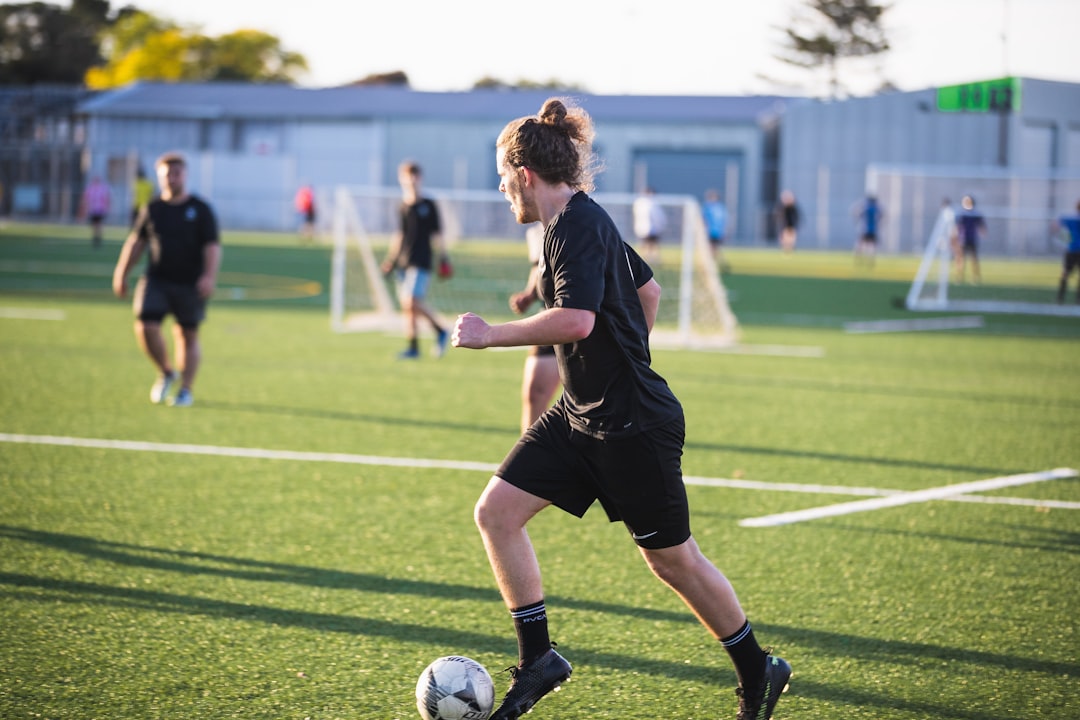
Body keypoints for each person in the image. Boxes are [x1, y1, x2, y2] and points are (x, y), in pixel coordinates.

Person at [452, 97, 790, 720]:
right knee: (497, 512)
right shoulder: (579, 219)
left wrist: (490, 333)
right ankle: (539, 659)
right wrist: (626, 353)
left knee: (672, 561)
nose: (502, 192)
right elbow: (648, 290)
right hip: (583, 414)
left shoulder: (574, 225)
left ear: (526, 174)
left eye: (504, 179)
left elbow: (578, 320)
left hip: (633, 425)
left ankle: (757, 668)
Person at [111, 151, 221, 408]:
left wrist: (208, 276)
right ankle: (166, 371)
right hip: (157, 279)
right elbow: (136, 242)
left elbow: (212, 246)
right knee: (145, 325)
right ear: (160, 177)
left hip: (190, 282)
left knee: (186, 334)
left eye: (176, 173)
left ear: (185, 175)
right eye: (166, 174)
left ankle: (185, 389)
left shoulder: (200, 209)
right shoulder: (153, 208)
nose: (172, 178)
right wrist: (122, 273)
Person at [380, 161, 451, 359]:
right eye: (406, 176)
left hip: (422, 261)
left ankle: (440, 330)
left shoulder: (428, 205)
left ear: (419, 178)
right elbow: (399, 235)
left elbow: (438, 234)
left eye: (414, 175)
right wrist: (390, 260)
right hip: (403, 261)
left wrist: (443, 257)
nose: (410, 180)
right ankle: (413, 348)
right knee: (408, 306)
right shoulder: (402, 207)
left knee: (411, 300)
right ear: (401, 179)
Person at [509, 222, 561, 433]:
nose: (503, 187)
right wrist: (529, 295)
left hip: (584, 320)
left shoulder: (585, 223)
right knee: (534, 393)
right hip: (548, 316)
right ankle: (529, 459)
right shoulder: (535, 233)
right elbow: (537, 270)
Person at [1051, 200, 1080, 304]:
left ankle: (1060, 298)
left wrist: (1064, 238)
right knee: (1067, 274)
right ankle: (1077, 300)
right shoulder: (1070, 218)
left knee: (1065, 274)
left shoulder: (1069, 218)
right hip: (1073, 249)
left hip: (1071, 250)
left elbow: (1055, 226)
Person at [955, 194, 985, 284]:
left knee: (974, 258)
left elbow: (981, 226)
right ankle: (959, 277)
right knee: (961, 258)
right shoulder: (961, 214)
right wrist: (955, 236)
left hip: (972, 238)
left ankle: (976, 278)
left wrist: (983, 231)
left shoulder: (976, 214)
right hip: (963, 239)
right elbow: (957, 226)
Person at [632, 186, 666, 265]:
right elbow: (658, 217)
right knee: (650, 245)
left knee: (647, 245)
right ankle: (650, 260)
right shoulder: (651, 203)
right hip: (650, 228)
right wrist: (661, 226)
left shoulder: (639, 202)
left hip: (643, 228)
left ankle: (645, 261)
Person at [702, 188, 731, 272]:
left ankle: (713, 265)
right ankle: (721, 263)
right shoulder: (721, 208)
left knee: (712, 248)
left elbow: (703, 219)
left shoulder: (708, 207)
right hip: (716, 232)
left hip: (712, 231)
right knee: (715, 248)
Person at [80, 175, 111, 249]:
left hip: (100, 210)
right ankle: (96, 238)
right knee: (95, 225)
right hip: (93, 209)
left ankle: (98, 238)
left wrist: (107, 207)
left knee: (98, 225)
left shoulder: (102, 188)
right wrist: (85, 207)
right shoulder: (91, 188)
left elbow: (106, 198)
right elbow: (86, 198)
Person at [853, 194, 883, 267]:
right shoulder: (876, 208)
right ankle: (871, 261)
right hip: (873, 230)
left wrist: (857, 220)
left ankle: (858, 260)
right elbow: (881, 215)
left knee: (860, 245)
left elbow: (857, 213)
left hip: (865, 229)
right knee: (872, 246)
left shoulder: (866, 207)